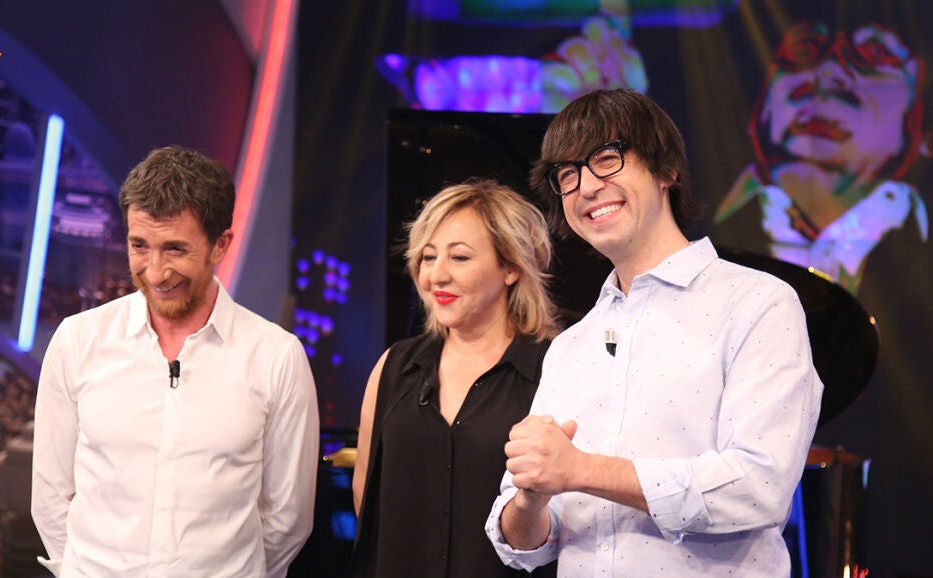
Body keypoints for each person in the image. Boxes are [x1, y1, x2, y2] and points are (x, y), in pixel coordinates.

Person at [484, 89, 823, 576]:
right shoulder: (570, 346)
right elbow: (525, 546)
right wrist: (531, 499)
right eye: (567, 175)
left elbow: (758, 488)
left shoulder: (757, 303)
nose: (586, 187)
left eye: (606, 159)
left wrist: (581, 469)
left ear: (666, 171)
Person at [31, 146, 319, 577]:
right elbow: (50, 497)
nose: (155, 271)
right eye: (139, 246)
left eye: (175, 249)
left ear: (220, 245)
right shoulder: (78, 341)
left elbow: (288, 517)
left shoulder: (276, 357)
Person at [350, 179, 559, 577]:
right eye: (428, 258)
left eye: (459, 257)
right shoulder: (394, 366)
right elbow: (367, 495)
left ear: (511, 267)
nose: (436, 275)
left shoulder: (556, 367)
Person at [713, 20, 928, 295]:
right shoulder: (696, 222)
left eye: (873, 56)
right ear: (759, 107)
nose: (827, 73)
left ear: (919, 121)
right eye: (803, 51)